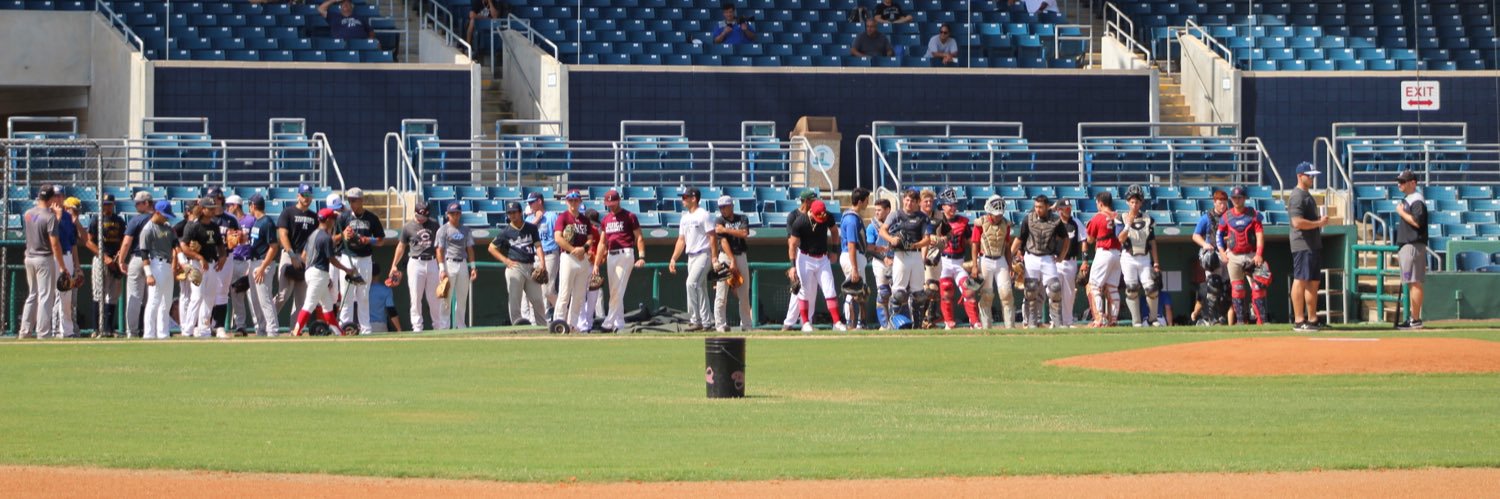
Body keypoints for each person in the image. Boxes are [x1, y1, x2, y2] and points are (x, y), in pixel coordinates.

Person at [289, 208, 359, 336]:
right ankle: (296, 331)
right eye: (332, 219)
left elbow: (304, 256)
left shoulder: (313, 235)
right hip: (319, 273)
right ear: (327, 220)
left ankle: (339, 333)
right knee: (309, 304)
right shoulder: (325, 237)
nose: (333, 222)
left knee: (327, 306)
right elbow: (332, 259)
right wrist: (347, 270)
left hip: (311, 271)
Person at [1012, 195, 1070, 328]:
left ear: (1047, 207)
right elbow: (1020, 238)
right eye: (1036, 206)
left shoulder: (1055, 220)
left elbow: (1065, 239)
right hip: (1031, 256)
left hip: (1048, 258)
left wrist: (1061, 256)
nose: (1038, 209)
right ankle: (1031, 322)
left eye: (1041, 207)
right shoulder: (1029, 218)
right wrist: (1011, 255)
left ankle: (1057, 322)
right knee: (1031, 290)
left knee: (1055, 289)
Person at [879, 189, 934, 328]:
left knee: (919, 294)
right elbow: (882, 230)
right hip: (900, 255)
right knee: (898, 293)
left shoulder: (922, 217)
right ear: (903, 200)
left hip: (915, 254)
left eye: (912, 201)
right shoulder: (896, 215)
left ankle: (917, 325)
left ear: (917, 202)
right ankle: (894, 323)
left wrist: (915, 244)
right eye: (907, 200)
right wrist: (891, 239)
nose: (909, 203)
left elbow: (927, 239)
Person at [789, 199, 846, 332]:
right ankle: (806, 323)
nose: (822, 217)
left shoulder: (828, 216)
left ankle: (837, 322)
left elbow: (834, 232)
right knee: (804, 291)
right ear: (812, 212)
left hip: (823, 258)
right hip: (805, 258)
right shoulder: (801, 221)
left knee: (830, 289)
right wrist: (792, 266)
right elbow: (792, 244)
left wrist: (835, 250)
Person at [593, 189, 644, 332]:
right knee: (615, 290)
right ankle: (619, 323)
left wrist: (641, 256)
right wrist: (596, 263)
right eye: (608, 202)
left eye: (613, 202)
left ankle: (608, 323)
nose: (611, 205)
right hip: (611, 254)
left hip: (625, 253)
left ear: (618, 200)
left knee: (617, 289)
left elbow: (639, 236)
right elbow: (602, 243)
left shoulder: (629, 216)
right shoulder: (606, 219)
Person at [335, 188, 384, 335]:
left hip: (364, 258)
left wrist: (368, 239)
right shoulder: (343, 217)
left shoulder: (371, 218)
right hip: (347, 257)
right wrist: (344, 235)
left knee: (363, 295)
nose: (351, 203)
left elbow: (381, 240)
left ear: (361, 200)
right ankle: (345, 327)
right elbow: (333, 238)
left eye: (354, 200)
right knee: (346, 294)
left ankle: (365, 329)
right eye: (349, 200)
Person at [490, 201, 547, 327]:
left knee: (537, 299)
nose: (512, 215)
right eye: (510, 213)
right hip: (515, 267)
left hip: (531, 266)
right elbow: (491, 247)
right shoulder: (506, 231)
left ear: (520, 213)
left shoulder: (531, 228)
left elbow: (538, 246)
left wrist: (542, 263)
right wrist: (505, 260)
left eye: (514, 212)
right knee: (515, 299)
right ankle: (517, 324)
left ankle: (542, 326)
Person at [389, 204, 445, 332]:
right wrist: (394, 265)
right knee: (415, 297)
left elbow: (439, 247)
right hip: (415, 262)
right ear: (415, 213)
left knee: (434, 297)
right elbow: (401, 246)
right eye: (419, 215)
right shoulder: (408, 227)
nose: (421, 218)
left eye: (424, 216)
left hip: (431, 262)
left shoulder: (434, 224)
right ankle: (417, 327)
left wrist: (442, 267)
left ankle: (438, 326)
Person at [1288, 162, 1329, 332]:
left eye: (1313, 175)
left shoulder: (1307, 195)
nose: (1312, 178)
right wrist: (1318, 223)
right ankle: (1299, 320)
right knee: (1301, 280)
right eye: (1309, 175)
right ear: (1300, 176)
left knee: (1313, 282)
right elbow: (1296, 222)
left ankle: (1312, 319)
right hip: (1302, 244)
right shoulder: (1297, 196)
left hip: (1312, 244)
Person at [668, 187, 717, 331]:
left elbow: (712, 236)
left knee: (691, 283)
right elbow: (681, 240)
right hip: (691, 256)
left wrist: (714, 257)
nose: (683, 200)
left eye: (685, 197)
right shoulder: (685, 217)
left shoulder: (703, 214)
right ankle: (707, 322)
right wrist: (673, 258)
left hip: (703, 253)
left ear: (693, 198)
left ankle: (695, 320)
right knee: (701, 288)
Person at [19, 187, 64, 339]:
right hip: (44, 258)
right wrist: (62, 266)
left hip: (29, 257)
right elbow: (54, 244)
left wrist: (55, 218)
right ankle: (43, 333)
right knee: (45, 296)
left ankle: (25, 331)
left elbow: (39, 226)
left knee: (32, 294)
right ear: (51, 199)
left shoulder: (28, 214)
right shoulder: (50, 217)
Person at [1217, 186, 1265, 325]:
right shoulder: (1226, 216)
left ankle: (1262, 320)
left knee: (1258, 287)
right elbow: (1219, 235)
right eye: (1234, 198)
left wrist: (1259, 254)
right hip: (1234, 256)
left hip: (1251, 255)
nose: (1237, 200)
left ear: (1244, 198)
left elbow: (1259, 234)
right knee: (1237, 289)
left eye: (1239, 197)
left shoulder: (1253, 214)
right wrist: (1222, 253)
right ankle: (1240, 322)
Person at [179, 197, 225, 338]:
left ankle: (204, 329)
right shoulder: (193, 225)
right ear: (202, 209)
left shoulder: (214, 226)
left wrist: (223, 257)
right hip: (197, 264)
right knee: (197, 296)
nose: (212, 210)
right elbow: (183, 246)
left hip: (211, 263)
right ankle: (188, 330)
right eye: (209, 208)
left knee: (210, 297)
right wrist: (199, 257)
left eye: (213, 208)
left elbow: (219, 244)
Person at [1118, 186, 1161, 327]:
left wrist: (1156, 262)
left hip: (1144, 257)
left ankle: (1152, 319)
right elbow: (1120, 239)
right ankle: (1136, 321)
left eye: (1137, 202)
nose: (1134, 205)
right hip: (1129, 257)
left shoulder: (1148, 219)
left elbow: (1152, 242)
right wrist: (1128, 224)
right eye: (1132, 202)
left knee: (1151, 289)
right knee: (1131, 288)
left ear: (1141, 203)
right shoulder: (1122, 217)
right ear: (1127, 202)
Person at [552, 191, 594, 333]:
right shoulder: (563, 217)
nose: (573, 203)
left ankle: (572, 325)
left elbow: (590, 238)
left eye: (576, 200)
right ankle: (558, 324)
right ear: (566, 202)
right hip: (568, 257)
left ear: (580, 202)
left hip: (583, 258)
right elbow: (558, 238)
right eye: (570, 200)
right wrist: (573, 249)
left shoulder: (585, 220)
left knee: (579, 295)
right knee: (564, 293)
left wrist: (584, 249)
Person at [972, 195, 1016, 329]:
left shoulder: (1005, 224)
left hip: (1001, 259)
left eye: (1000, 214)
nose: (998, 217)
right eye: (996, 214)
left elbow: (1008, 247)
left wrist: (1010, 265)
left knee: (1006, 293)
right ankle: (986, 327)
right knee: (987, 295)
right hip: (985, 260)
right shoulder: (980, 224)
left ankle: (1010, 326)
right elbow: (974, 245)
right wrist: (974, 266)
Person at [86, 193, 126, 337]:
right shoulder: (96, 219)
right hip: (100, 259)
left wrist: (118, 256)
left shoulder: (119, 220)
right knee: (98, 292)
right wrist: (104, 257)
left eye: (109, 203)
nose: (106, 206)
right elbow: (89, 241)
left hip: (114, 260)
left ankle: (109, 329)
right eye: (104, 204)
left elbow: (123, 240)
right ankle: (96, 329)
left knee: (113, 294)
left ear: (113, 205)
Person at [117, 191, 156, 338]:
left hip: (138, 258)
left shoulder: (137, 220)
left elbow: (126, 242)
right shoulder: (159, 219)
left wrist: (121, 260)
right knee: (152, 298)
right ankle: (150, 331)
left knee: (134, 297)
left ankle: (132, 332)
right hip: (155, 261)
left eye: (138, 203)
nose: (136, 206)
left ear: (147, 203)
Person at [276, 185, 318, 321]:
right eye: (303, 195)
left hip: (307, 258)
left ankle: (296, 330)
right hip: (289, 255)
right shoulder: (288, 212)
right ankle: (265, 324)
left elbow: (315, 239)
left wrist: (307, 258)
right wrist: (293, 255)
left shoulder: (314, 216)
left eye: (309, 195)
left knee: (302, 299)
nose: (306, 198)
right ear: (298, 196)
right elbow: (282, 235)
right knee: (283, 294)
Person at [1393, 169, 1428, 330]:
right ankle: (1413, 317)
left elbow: (1417, 222)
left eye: (1403, 181)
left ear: (1413, 183)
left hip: (1413, 245)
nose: (1400, 184)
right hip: (1408, 246)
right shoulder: (1409, 199)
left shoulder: (1416, 200)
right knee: (1410, 282)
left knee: (1414, 282)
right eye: (1399, 181)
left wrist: (1400, 212)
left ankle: (1415, 319)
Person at [935, 193, 977, 329]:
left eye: (955, 205)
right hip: (943, 260)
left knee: (969, 290)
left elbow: (971, 242)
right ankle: (949, 322)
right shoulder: (937, 222)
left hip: (960, 261)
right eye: (950, 205)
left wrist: (976, 261)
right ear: (943, 206)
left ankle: (974, 321)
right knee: (946, 290)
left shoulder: (963, 222)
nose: (953, 208)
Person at [1191, 189, 1232, 325]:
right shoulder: (1207, 217)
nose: (1223, 205)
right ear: (1215, 202)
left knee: (1227, 289)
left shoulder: (1230, 216)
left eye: (1225, 202)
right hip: (1214, 255)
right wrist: (1205, 245)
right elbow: (1195, 235)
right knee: (1214, 286)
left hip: (1228, 254)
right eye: (1220, 202)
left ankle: (1221, 317)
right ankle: (1211, 317)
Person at [712, 195, 752, 332]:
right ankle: (720, 324)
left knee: (744, 293)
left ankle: (746, 325)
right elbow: (723, 241)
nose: (722, 209)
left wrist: (726, 230)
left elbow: (744, 233)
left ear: (731, 206)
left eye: (725, 206)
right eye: (720, 207)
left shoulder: (742, 218)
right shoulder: (719, 220)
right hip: (725, 257)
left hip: (741, 255)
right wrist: (732, 260)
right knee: (721, 293)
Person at [780, 190, 818, 330]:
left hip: (813, 256)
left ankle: (806, 323)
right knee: (799, 291)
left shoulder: (814, 215)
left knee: (812, 291)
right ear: (806, 201)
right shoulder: (793, 216)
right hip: (799, 257)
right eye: (813, 200)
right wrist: (793, 265)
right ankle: (788, 323)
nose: (815, 202)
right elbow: (792, 242)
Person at [244, 194, 281, 336]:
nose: (249, 208)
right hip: (254, 262)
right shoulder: (256, 222)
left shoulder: (267, 222)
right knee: (255, 299)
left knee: (264, 299)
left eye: (250, 205)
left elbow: (273, 247)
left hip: (263, 263)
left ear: (253, 206)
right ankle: (261, 328)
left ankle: (273, 329)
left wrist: (262, 267)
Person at [140, 201, 178, 340]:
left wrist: (183, 263)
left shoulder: (167, 226)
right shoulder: (148, 228)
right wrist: (148, 274)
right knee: (154, 300)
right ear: (157, 213)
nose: (167, 218)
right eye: (165, 215)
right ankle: (149, 334)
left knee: (166, 302)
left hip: (167, 265)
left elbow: (176, 244)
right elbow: (144, 253)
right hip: (156, 264)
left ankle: (163, 333)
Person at [1084, 191, 1123, 327]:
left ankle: (1099, 318)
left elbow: (1089, 239)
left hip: (1104, 252)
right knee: (1112, 288)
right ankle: (1113, 320)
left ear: (1100, 203)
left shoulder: (1098, 217)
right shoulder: (1118, 216)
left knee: (1093, 286)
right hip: (1118, 254)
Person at [436, 203, 476, 330]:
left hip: (463, 263)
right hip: (449, 263)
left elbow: (470, 248)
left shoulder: (466, 229)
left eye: (457, 213)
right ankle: (444, 326)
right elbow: (439, 250)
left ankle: (461, 325)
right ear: (447, 215)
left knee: (462, 296)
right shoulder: (443, 229)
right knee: (446, 297)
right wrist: (442, 269)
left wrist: (473, 267)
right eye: (452, 213)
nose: (455, 215)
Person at [522, 192, 560, 325]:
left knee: (548, 290)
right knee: (534, 290)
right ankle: (537, 321)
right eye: (529, 202)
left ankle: (562, 312)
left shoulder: (551, 216)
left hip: (550, 253)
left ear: (540, 201)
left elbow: (558, 236)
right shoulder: (529, 219)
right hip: (534, 256)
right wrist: (536, 220)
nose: (530, 205)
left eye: (532, 202)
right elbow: (524, 236)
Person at [207, 189, 240, 332]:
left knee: (222, 291)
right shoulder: (206, 218)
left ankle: (219, 325)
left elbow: (238, 240)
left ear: (221, 199)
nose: (213, 201)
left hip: (226, 257)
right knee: (206, 292)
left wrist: (238, 239)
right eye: (210, 198)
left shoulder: (230, 219)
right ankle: (205, 324)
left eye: (215, 198)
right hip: (208, 258)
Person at [222, 195, 256, 335]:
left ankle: (259, 326)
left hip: (248, 260)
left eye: (229, 205)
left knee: (253, 296)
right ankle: (240, 326)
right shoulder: (230, 221)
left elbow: (255, 242)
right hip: (234, 260)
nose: (227, 208)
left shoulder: (250, 220)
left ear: (236, 205)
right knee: (236, 294)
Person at [838, 189, 871, 329]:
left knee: (861, 292)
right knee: (853, 292)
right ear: (860, 201)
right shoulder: (851, 219)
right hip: (852, 256)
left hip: (856, 256)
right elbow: (851, 245)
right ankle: (851, 324)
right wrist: (855, 268)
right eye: (866, 200)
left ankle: (859, 324)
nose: (868, 203)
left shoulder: (853, 216)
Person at [53, 196, 83, 338]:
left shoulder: (70, 220)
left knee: (66, 296)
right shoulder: (49, 214)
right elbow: (51, 238)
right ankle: (54, 330)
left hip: (68, 256)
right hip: (53, 257)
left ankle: (67, 331)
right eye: (73, 210)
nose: (75, 213)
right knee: (55, 296)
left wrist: (77, 266)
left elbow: (74, 244)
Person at [1055, 199, 1085, 327]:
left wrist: (1084, 260)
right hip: (1055, 261)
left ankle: (1068, 321)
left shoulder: (1076, 222)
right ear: (1059, 210)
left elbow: (1083, 240)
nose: (1068, 209)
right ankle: (1055, 321)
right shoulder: (1054, 223)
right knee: (1054, 291)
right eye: (1065, 208)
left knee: (1069, 293)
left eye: (1069, 207)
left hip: (1070, 262)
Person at [575, 209, 605, 333]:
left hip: (592, 266)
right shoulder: (575, 230)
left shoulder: (595, 231)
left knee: (593, 295)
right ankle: (582, 324)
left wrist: (599, 260)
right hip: (580, 264)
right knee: (580, 295)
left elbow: (602, 247)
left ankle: (589, 322)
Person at [866, 199, 894, 329]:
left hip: (895, 261)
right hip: (880, 262)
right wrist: (884, 258)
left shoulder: (895, 223)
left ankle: (897, 323)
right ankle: (884, 324)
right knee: (883, 293)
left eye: (880, 210)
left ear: (888, 210)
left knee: (898, 293)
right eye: (875, 210)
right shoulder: (872, 226)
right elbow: (870, 248)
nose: (877, 213)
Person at [368, 263, 400, 333]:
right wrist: (399, 329)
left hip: (362, 325)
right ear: (379, 273)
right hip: (379, 326)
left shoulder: (361, 290)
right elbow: (391, 310)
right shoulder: (386, 290)